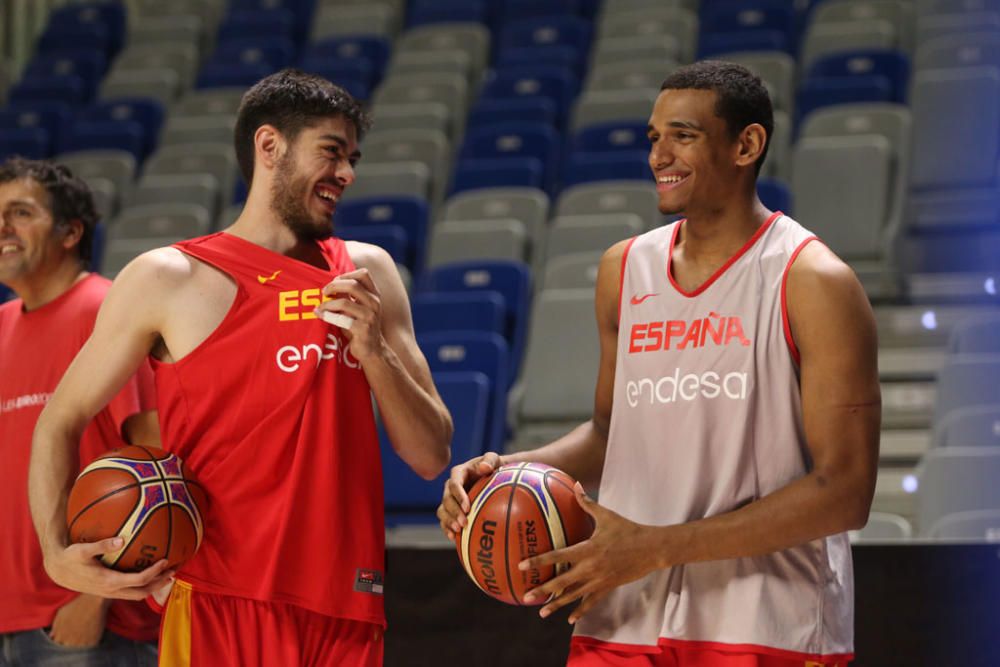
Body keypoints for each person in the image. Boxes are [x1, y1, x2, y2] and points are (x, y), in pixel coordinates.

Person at [439, 60, 880, 666]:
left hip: (766, 622)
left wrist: (655, 548)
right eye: (654, 137)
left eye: (684, 135)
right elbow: (606, 434)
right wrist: (499, 473)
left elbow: (845, 491)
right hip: (625, 616)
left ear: (747, 145)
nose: (659, 155)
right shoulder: (625, 269)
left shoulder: (812, 280)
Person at [29, 69, 453, 666]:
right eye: (331, 152)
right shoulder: (167, 277)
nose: (347, 175)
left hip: (345, 606)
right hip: (216, 597)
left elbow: (431, 454)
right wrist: (54, 553)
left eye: (352, 158)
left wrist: (374, 352)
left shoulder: (367, 272)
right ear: (269, 145)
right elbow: (60, 418)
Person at [0, 158, 161, 665]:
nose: (2, 227)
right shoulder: (2, 324)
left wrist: (94, 600)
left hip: (85, 628)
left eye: (20, 212)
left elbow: (160, 467)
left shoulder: (107, 312)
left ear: (72, 232)